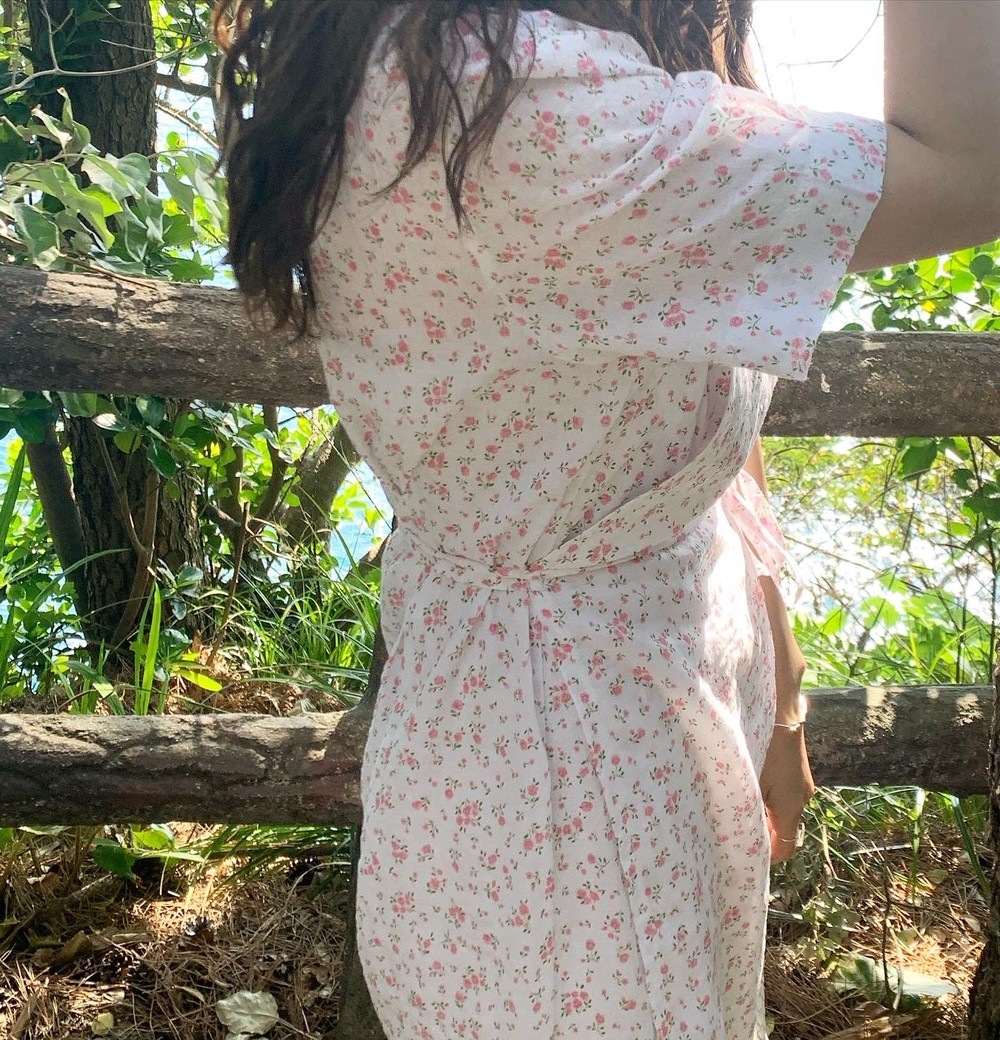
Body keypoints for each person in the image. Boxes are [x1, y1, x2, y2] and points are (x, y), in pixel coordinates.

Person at [214, 2, 1000, 1037]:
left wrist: (781, 684)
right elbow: (972, 171)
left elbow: (682, 339)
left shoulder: (426, 61)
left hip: (568, 741)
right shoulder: (533, 114)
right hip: (577, 803)